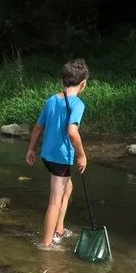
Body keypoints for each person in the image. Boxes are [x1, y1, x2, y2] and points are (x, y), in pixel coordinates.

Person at [25, 59, 89, 250]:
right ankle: (46, 244)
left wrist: (30, 149)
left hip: (47, 156)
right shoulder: (77, 104)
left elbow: (37, 128)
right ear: (84, 83)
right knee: (55, 200)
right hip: (61, 159)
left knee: (68, 187)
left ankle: (59, 229)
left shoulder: (51, 100)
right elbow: (72, 131)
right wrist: (81, 155)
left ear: (62, 82)